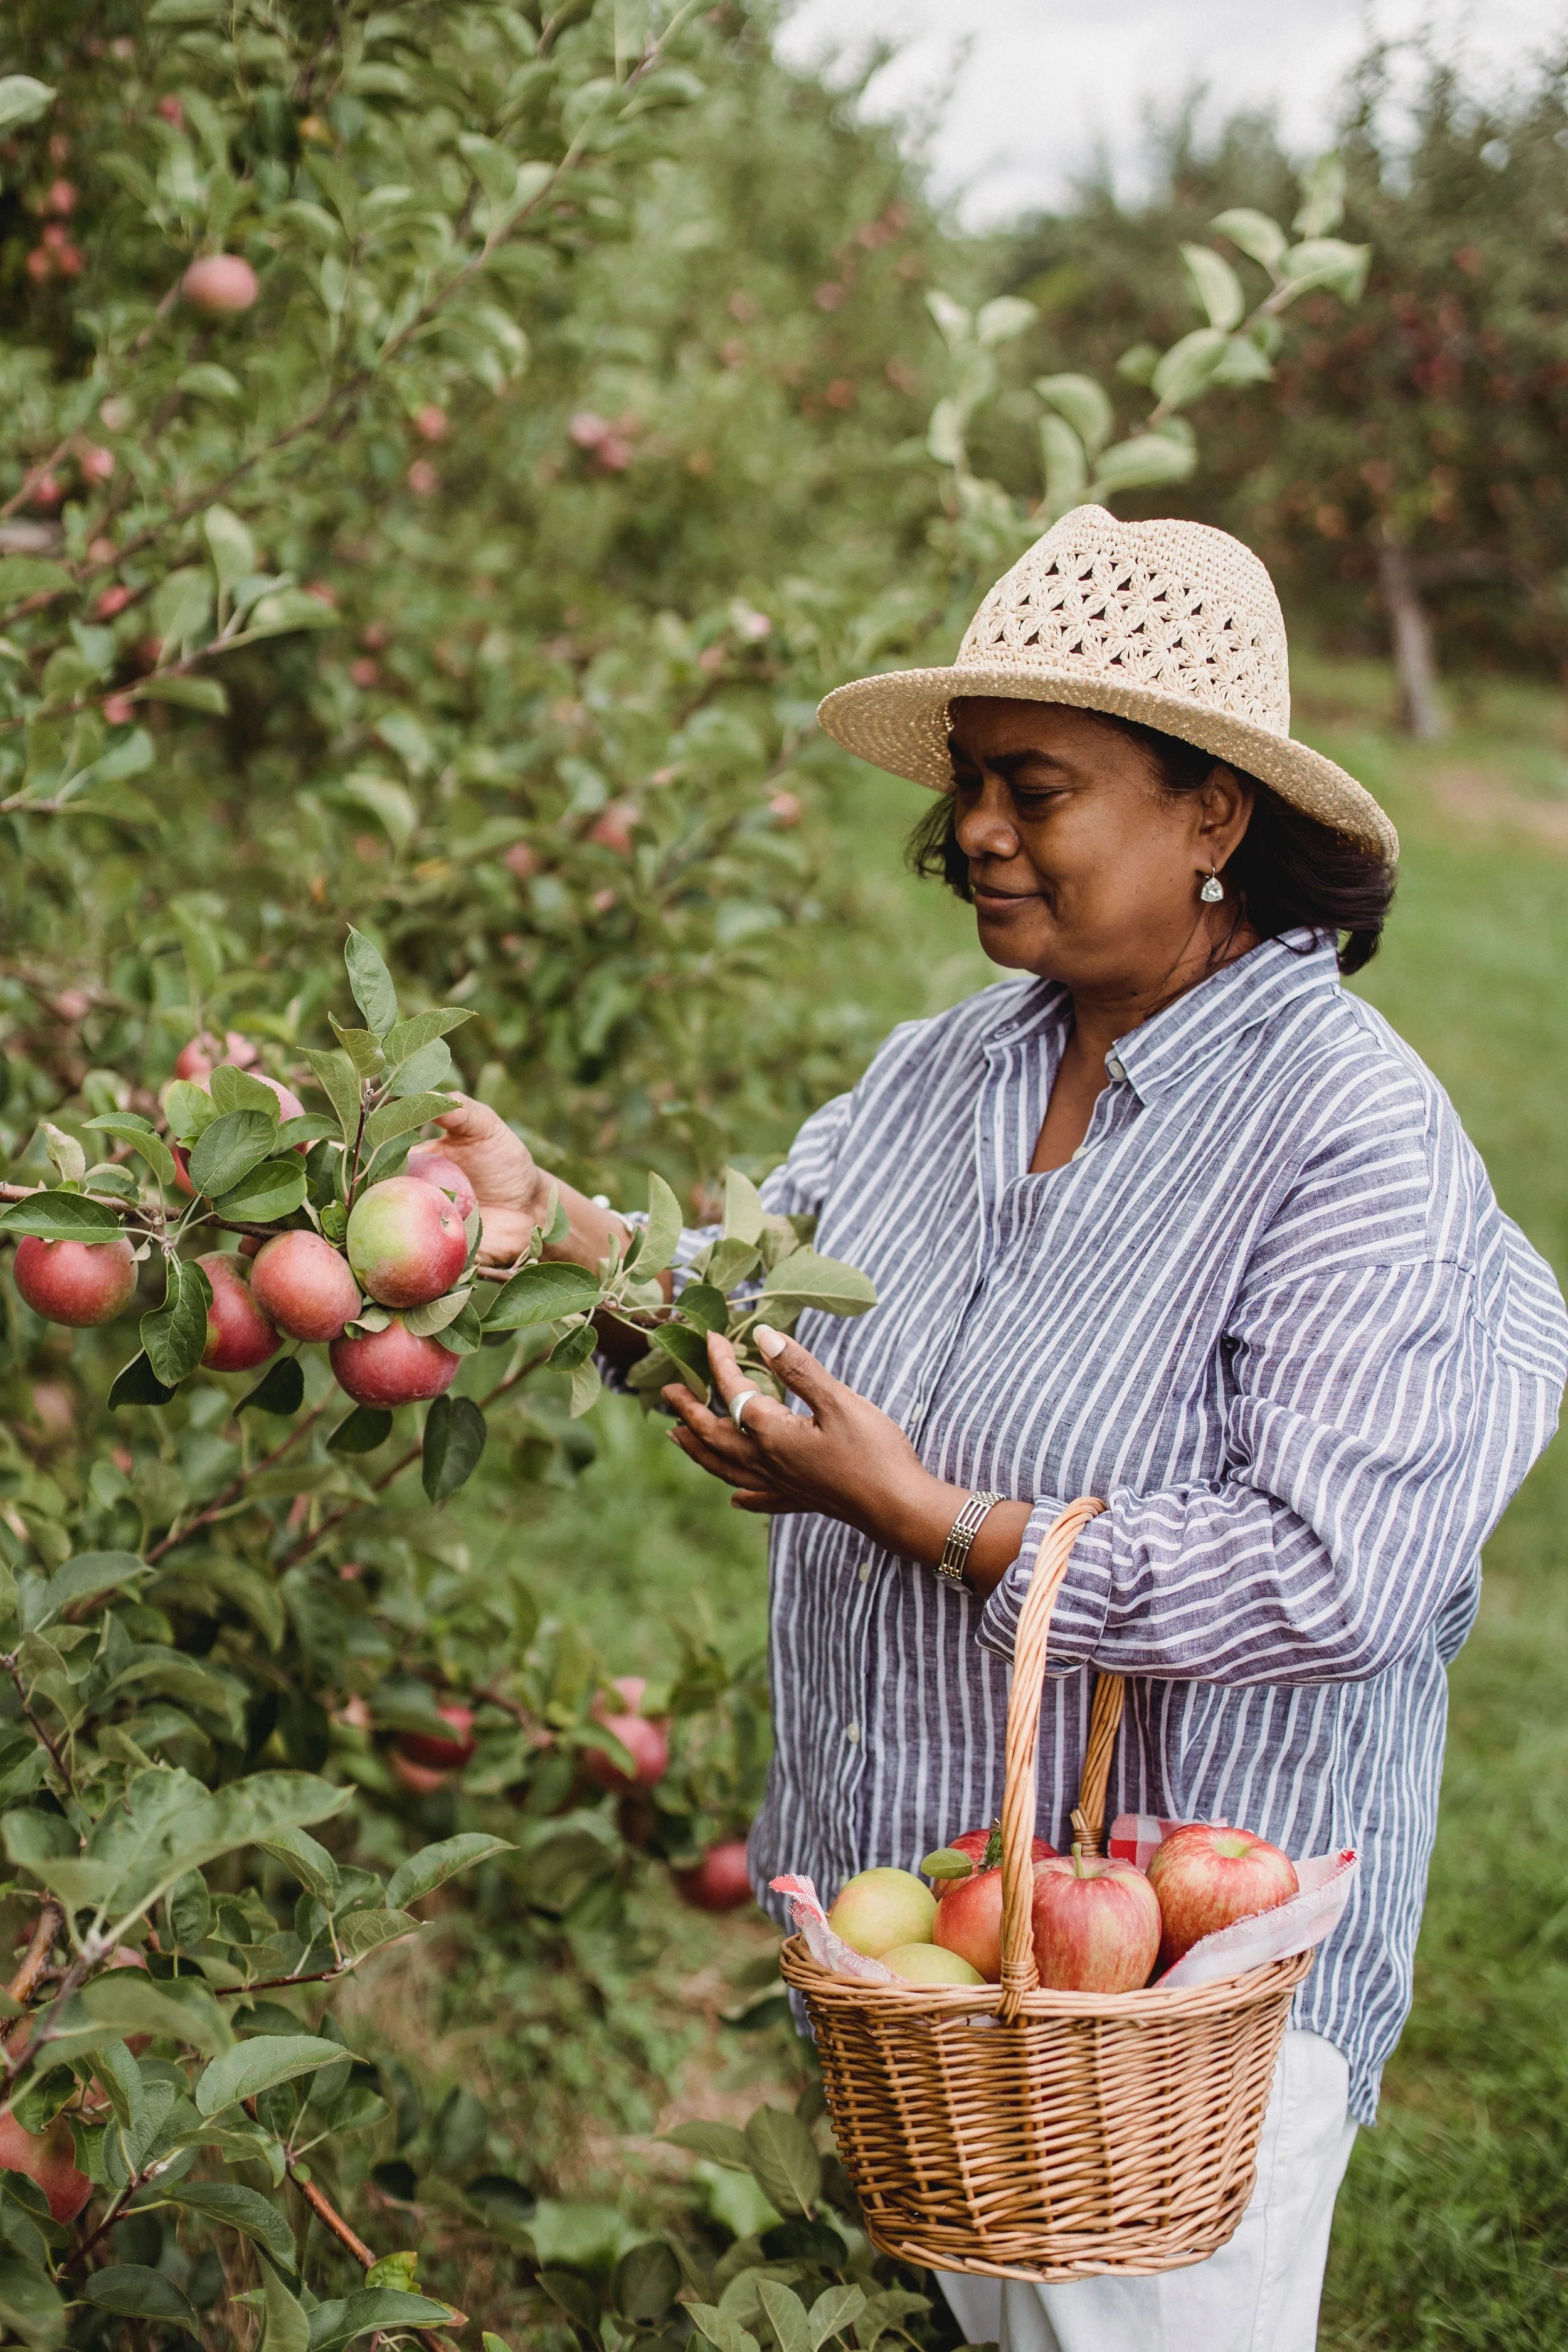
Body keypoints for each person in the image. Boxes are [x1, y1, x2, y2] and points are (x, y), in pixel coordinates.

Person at [436, 507, 1568, 2352]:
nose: (972, 828)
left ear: (1214, 814)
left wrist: (938, 1521)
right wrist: (551, 1225)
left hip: (1165, 2021)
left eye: (1032, 787)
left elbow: (1333, 1573)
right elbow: (754, 1300)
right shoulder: (944, 1064)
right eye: (970, 784)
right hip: (926, 1964)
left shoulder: (1342, 1133)